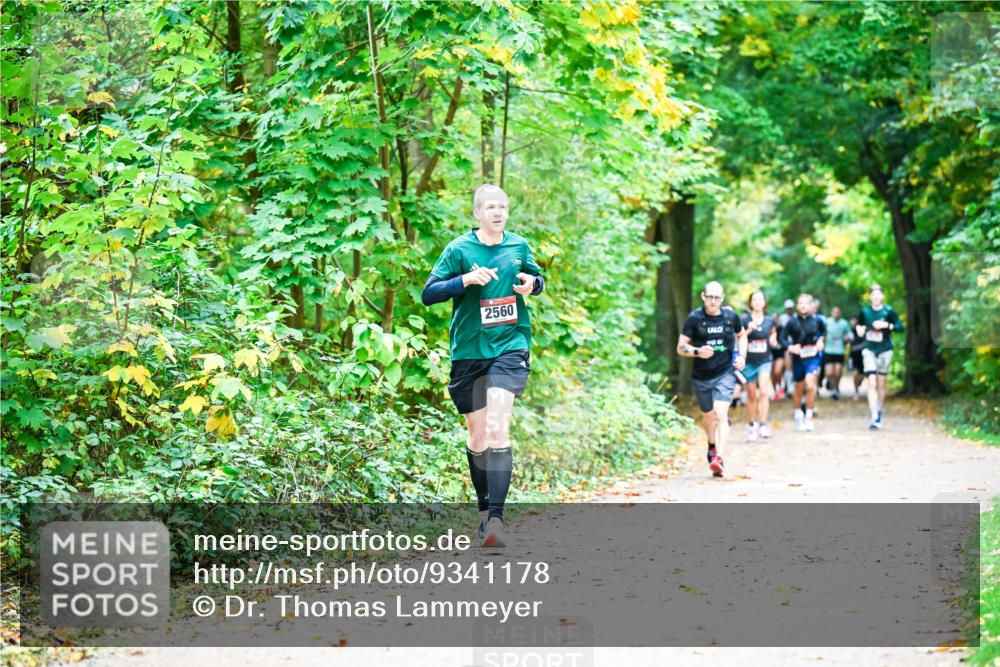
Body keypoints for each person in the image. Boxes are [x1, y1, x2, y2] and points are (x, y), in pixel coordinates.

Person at [422, 184, 545, 547]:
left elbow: (537, 281)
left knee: (497, 425)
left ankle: (496, 521)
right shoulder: (459, 249)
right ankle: (482, 510)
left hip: (510, 343)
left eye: (503, 206)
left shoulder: (518, 246)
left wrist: (530, 284)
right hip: (469, 349)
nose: (498, 212)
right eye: (490, 206)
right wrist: (465, 280)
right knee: (477, 437)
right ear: (477, 213)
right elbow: (429, 294)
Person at [677, 281, 747, 478]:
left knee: (720, 413)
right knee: (708, 417)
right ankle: (711, 444)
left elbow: (742, 336)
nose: (713, 301)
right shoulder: (694, 318)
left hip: (724, 373)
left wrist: (741, 356)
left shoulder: (731, 317)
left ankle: (719, 459)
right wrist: (697, 351)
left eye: (717, 297)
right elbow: (681, 347)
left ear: (722, 298)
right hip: (702, 376)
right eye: (710, 297)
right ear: (703, 297)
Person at [855, 284, 904, 430]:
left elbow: (900, 327)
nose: (876, 297)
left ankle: (879, 409)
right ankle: (874, 415)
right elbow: (859, 327)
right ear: (869, 297)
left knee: (881, 384)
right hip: (869, 349)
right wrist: (860, 330)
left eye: (878, 294)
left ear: (882, 296)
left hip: (885, 350)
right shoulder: (864, 312)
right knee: (872, 382)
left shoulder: (889, 311)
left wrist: (886, 325)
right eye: (873, 295)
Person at [784, 293, 826, 432]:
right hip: (798, 358)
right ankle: (798, 414)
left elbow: (824, 332)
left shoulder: (817, 320)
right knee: (799, 387)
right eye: (800, 303)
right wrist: (790, 347)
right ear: (797, 306)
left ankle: (808, 415)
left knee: (810, 383)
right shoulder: (792, 322)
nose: (803, 305)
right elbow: (782, 337)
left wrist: (820, 341)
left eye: (806, 303)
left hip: (813, 357)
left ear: (810, 305)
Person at [741, 291, 779, 441]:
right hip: (749, 361)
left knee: (763, 391)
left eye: (760, 299)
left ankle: (763, 424)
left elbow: (773, 333)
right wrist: (749, 329)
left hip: (765, 359)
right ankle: (752, 425)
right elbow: (739, 337)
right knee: (751, 395)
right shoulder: (744, 320)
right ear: (750, 303)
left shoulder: (769, 320)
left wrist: (773, 339)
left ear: (764, 303)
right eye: (754, 300)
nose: (757, 302)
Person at [822, 306, 851, 400]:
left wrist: (847, 338)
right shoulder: (826, 322)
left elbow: (849, 334)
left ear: (840, 313)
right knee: (829, 373)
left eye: (838, 312)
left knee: (838, 372)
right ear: (831, 313)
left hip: (839, 350)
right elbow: (821, 332)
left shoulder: (844, 323)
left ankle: (836, 388)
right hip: (828, 350)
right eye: (835, 312)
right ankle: (831, 386)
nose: (836, 314)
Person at [770, 309, 788, 401]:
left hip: (780, 353)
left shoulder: (781, 328)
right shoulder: (768, 328)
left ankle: (780, 388)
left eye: (776, 318)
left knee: (778, 371)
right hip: (770, 354)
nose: (774, 320)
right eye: (772, 318)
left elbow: (784, 340)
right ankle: (775, 391)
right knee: (772, 374)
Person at [779, 298, 796, 396]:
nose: (789, 310)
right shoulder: (782, 318)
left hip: (797, 344)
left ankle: (793, 384)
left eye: (791, 308)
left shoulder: (796, 317)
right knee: (787, 364)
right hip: (786, 345)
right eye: (788, 308)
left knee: (794, 365)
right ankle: (788, 386)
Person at [848, 315, 866, 400]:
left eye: (854, 321)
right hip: (853, 355)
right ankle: (856, 392)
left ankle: (858, 386)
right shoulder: (850, 332)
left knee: (862, 375)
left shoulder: (863, 331)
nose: (853, 323)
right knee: (855, 374)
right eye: (851, 321)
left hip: (862, 355)